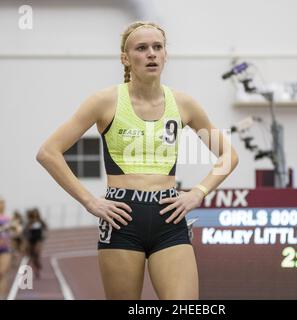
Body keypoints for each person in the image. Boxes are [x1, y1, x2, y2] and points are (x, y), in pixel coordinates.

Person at [36, 21, 239, 300]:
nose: (151, 54)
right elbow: (48, 152)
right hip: (122, 218)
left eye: (158, 47)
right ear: (126, 58)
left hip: (169, 216)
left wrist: (197, 193)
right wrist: (90, 201)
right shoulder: (104, 101)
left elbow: (229, 155)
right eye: (142, 48)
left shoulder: (183, 104)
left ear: (166, 55)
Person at [24, 208, 48, 279]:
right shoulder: (29, 222)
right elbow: (25, 231)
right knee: (33, 257)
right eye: (33, 213)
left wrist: (45, 235)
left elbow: (45, 228)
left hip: (39, 240)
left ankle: (38, 264)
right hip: (31, 240)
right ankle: (36, 269)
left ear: (38, 214)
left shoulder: (40, 221)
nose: (35, 215)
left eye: (36, 213)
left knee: (36, 252)